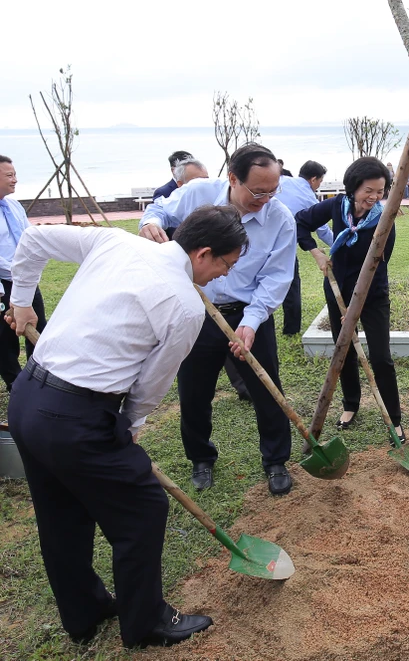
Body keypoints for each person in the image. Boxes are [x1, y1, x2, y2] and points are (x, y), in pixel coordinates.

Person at [6, 205, 247, 647]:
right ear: (204, 253)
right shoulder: (183, 303)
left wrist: (21, 298)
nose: (222, 277)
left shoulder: (115, 239)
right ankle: (146, 622)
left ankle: (84, 613)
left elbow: (35, 239)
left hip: (26, 398)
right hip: (75, 417)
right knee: (143, 510)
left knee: (61, 513)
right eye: (225, 266)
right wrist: (130, 425)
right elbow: (151, 383)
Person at [139, 143, 296, 496]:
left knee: (266, 387)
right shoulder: (198, 193)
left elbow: (276, 278)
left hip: (249, 311)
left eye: (273, 190)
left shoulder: (280, 218)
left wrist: (252, 322)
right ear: (232, 178)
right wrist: (149, 223)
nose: (266, 198)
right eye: (258, 191)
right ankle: (201, 458)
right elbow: (158, 211)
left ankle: (275, 460)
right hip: (196, 305)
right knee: (194, 390)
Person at [295, 157, 405, 437]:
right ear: (353, 187)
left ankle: (394, 418)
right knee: (343, 350)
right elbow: (300, 222)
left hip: (372, 294)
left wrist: (357, 306)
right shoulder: (336, 206)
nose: (374, 197)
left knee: (381, 357)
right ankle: (351, 404)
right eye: (369, 190)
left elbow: (380, 264)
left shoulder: (384, 218)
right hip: (337, 290)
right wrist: (316, 251)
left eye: (380, 191)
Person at [1, 155, 47, 391]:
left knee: (37, 324)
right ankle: (15, 383)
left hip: (25, 278)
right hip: (3, 282)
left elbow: (28, 237)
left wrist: (30, 266)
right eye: (9, 175)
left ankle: (38, 375)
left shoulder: (14, 206)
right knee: (6, 336)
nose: (15, 180)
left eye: (15, 174)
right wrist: (17, 269)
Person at [274, 161, 334, 336]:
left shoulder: (283, 180)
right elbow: (322, 231)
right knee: (291, 286)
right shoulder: (309, 198)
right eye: (320, 182)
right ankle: (291, 330)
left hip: (259, 238)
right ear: (313, 179)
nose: (318, 186)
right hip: (283, 245)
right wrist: (340, 244)